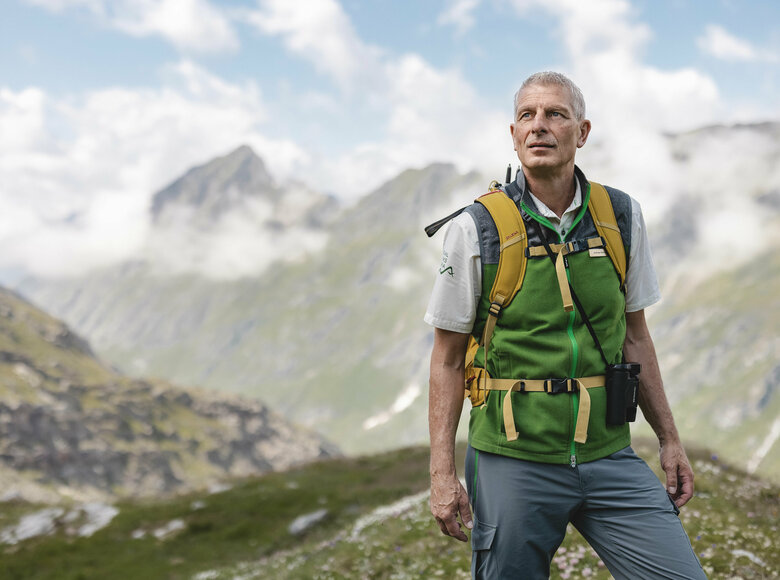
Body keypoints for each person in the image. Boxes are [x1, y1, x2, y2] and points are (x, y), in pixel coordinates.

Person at [424, 71, 706, 579]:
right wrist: (442, 472)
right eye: (527, 116)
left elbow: (636, 335)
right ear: (513, 134)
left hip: (608, 452)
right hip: (512, 460)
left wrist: (669, 438)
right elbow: (446, 357)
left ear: (583, 131)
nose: (539, 127)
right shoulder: (475, 228)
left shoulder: (620, 215)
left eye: (556, 114)